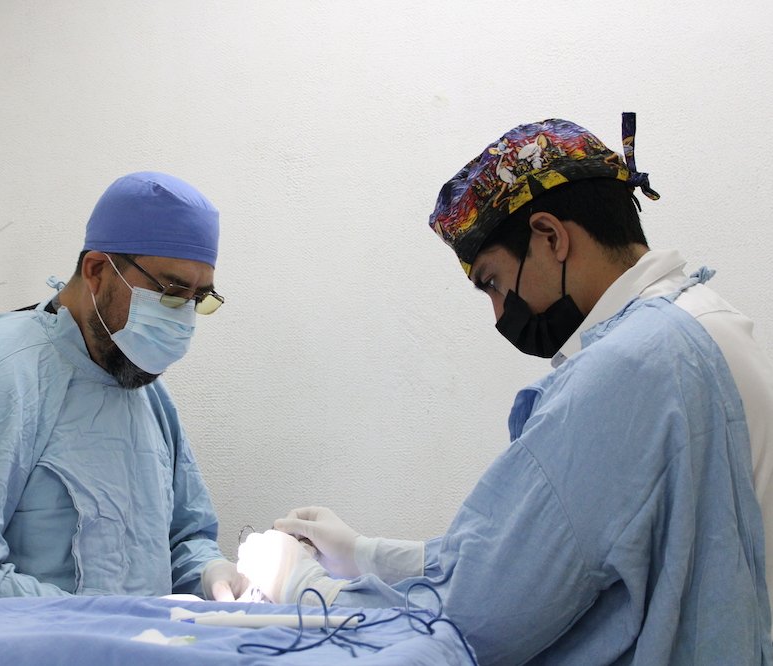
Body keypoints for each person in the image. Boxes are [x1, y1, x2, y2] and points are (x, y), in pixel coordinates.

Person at [237, 115, 773, 664]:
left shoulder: (629, 368)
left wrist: (300, 584)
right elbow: (538, 554)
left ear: (551, 237)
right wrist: (365, 554)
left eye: (492, 281)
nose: (499, 313)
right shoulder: (708, 321)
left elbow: (474, 619)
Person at [0, 171, 247, 628]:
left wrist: (209, 572)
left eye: (198, 298)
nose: (184, 318)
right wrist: (109, 621)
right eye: (170, 293)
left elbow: (183, 537)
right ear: (97, 270)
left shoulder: (147, 395)